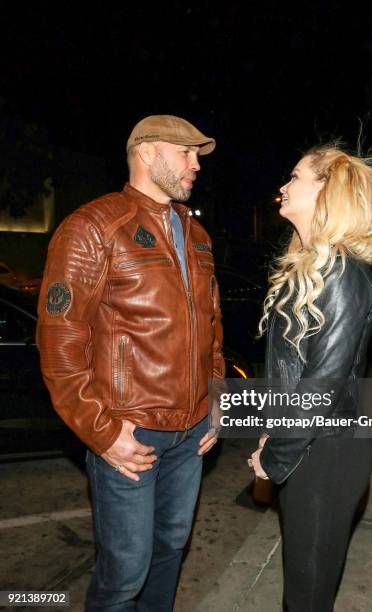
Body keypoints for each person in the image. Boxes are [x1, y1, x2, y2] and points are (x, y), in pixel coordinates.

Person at [36, 114, 225, 611]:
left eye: (198, 156)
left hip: (192, 434)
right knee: (124, 575)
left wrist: (217, 402)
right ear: (145, 154)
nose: (195, 164)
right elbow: (60, 342)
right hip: (130, 433)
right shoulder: (92, 227)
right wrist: (101, 432)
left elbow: (213, 330)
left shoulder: (198, 235)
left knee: (169, 551)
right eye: (184, 152)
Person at [250, 145, 372, 611]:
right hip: (309, 448)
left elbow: (320, 388)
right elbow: (293, 373)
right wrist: (274, 431)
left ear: (326, 190)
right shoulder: (313, 268)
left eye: (295, 177)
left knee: (306, 599)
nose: (284, 186)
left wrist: (275, 455)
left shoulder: (344, 276)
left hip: (326, 456)